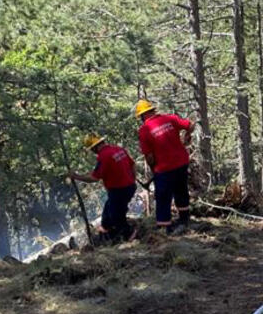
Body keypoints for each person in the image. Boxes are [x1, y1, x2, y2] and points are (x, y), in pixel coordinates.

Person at [136, 99, 194, 234]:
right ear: (152, 110)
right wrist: (187, 135)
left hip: (164, 168)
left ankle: (164, 227)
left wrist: (153, 168)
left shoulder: (144, 130)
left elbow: (149, 157)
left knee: (163, 197)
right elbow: (190, 125)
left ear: (143, 115)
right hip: (181, 162)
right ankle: (184, 219)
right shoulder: (170, 118)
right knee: (181, 191)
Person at [68, 134, 138, 243]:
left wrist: (76, 176)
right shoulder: (117, 149)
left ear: (95, 147)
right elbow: (132, 164)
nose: (92, 152)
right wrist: (133, 179)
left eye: (92, 149)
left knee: (116, 216)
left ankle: (129, 235)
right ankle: (107, 234)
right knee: (107, 214)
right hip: (129, 187)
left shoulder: (103, 156)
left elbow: (94, 178)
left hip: (118, 190)